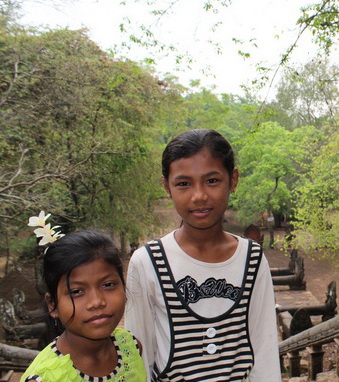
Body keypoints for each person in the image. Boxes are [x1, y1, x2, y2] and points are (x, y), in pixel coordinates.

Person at [125, 129, 281, 382]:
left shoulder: (251, 259)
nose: (199, 196)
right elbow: (139, 357)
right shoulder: (148, 262)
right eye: (184, 183)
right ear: (167, 186)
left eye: (212, 181)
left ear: (233, 180)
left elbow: (264, 353)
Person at [21, 219, 146, 382]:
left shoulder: (130, 346)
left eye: (108, 285)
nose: (97, 302)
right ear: (52, 305)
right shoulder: (44, 378)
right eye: (76, 291)